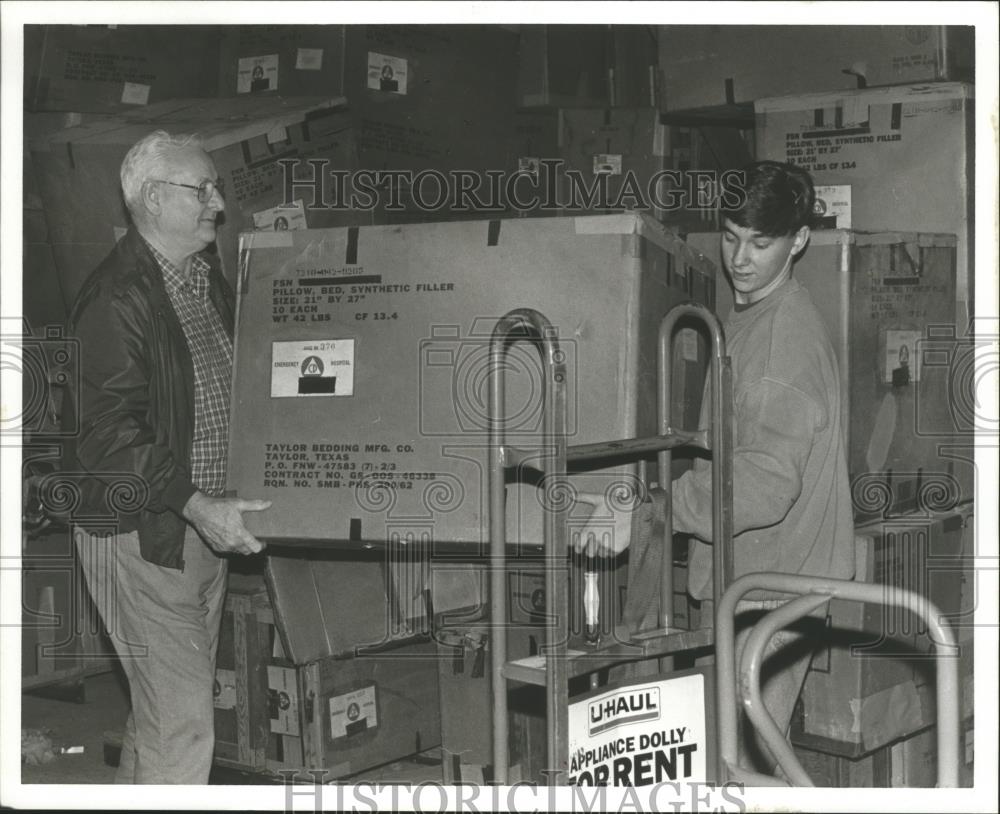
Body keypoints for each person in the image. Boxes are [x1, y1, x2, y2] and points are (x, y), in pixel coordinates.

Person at [573, 161, 854, 779]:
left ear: (798, 241)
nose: (740, 258)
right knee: (730, 762)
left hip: (774, 592)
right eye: (730, 237)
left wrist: (652, 511)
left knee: (732, 771)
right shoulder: (753, 317)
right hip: (746, 577)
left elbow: (765, 483)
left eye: (761, 242)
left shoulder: (783, 341)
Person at [63, 130, 271, 784]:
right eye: (200, 189)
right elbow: (106, 435)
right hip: (141, 532)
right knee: (182, 724)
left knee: (162, 714)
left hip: (197, 527)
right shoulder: (115, 298)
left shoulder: (203, 279)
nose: (217, 203)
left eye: (214, 188)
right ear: (153, 199)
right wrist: (193, 502)